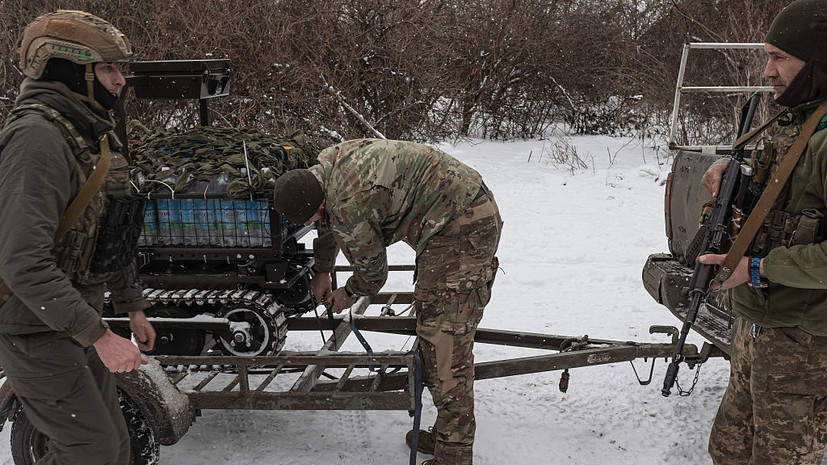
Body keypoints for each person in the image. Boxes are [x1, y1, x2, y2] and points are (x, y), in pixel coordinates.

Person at [272, 138, 502, 465]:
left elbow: (373, 275)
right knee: (436, 331)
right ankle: (448, 434)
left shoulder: (347, 206)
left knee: (444, 343)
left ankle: (454, 455)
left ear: (319, 201)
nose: (311, 224)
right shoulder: (325, 168)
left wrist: (347, 293)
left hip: (462, 225)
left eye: (311, 218)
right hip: (457, 207)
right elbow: (327, 221)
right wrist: (323, 270)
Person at [0, 10, 156, 464]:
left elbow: (111, 229)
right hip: (32, 325)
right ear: (68, 70)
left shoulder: (84, 132)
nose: (120, 80)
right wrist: (99, 335)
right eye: (107, 68)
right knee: (92, 450)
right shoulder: (38, 139)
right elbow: (22, 261)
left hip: (71, 318)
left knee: (115, 447)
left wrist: (131, 304)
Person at [699, 0, 827, 463]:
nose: (767, 71)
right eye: (767, 57)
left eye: (780, 58)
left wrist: (756, 268)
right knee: (728, 451)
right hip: (756, 328)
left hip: (805, 343)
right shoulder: (792, 121)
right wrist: (732, 180)